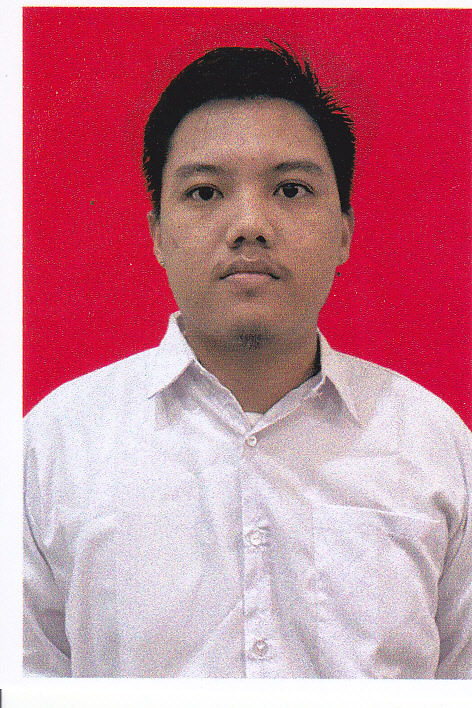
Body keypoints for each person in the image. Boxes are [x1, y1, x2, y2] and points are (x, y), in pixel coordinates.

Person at [24, 43, 472, 679]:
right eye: (205, 192)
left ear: (344, 231)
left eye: (290, 189)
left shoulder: (434, 444)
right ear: (156, 233)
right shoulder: (54, 445)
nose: (249, 225)